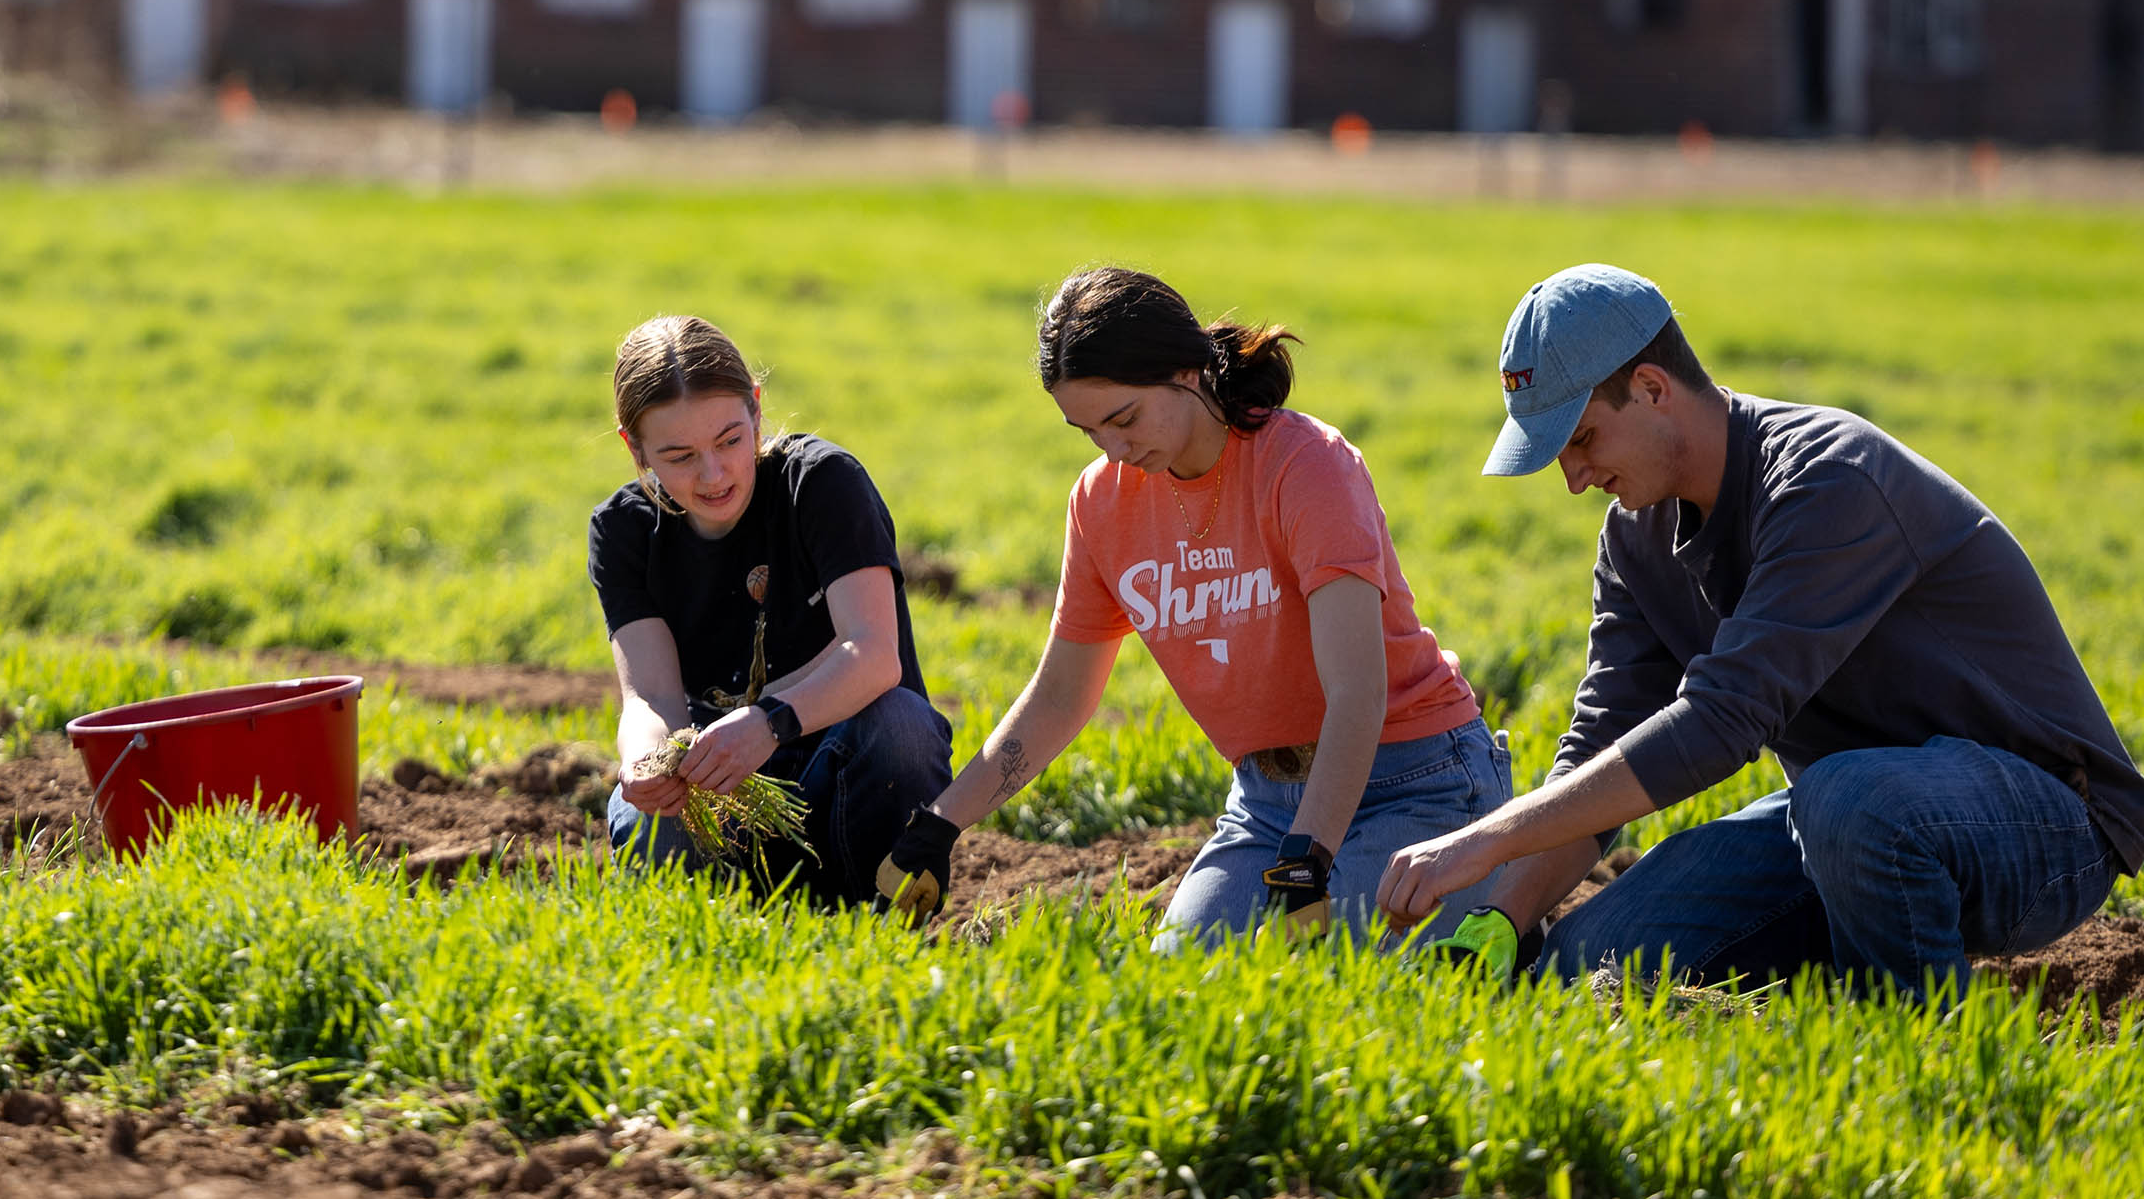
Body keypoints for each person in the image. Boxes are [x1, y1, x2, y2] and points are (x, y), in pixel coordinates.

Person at [1377, 263, 2144, 998]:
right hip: (1846, 826)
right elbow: (1603, 746)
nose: (1573, 478)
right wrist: (1501, 919)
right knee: (1586, 960)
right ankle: (1841, 964)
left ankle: (1915, 1045)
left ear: (1651, 389)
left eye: (1579, 440)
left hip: (2044, 822)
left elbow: (1721, 722)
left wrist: (1488, 838)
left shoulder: (1827, 479)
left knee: (1849, 798)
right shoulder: (1636, 538)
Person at [875, 267, 1510, 948]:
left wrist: (1309, 859)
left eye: (1124, 418)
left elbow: (1357, 692)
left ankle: (1502, 915)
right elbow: (1060, 697)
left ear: (1186, 373)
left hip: (1414, 781)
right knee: (1185, 977)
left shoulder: (1306, 465)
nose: (1114, 450)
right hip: (1267, 805)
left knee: (1327, 976)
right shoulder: (1101, 503)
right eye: (1088, 432)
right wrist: (942, 824)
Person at [588, 315, 952, 905]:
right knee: (640, 817)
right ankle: (723, 931)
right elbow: (649, 698)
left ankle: (877, 912)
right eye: (679, 456)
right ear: (635, 446)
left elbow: (874, 653)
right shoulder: (623, 529)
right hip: (724, 792)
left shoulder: (822, 482)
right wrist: (646, 762)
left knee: (903, 728)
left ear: (756, 408)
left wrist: (768, 722)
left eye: (730, 440)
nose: (713, 474)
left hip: (846, 777)